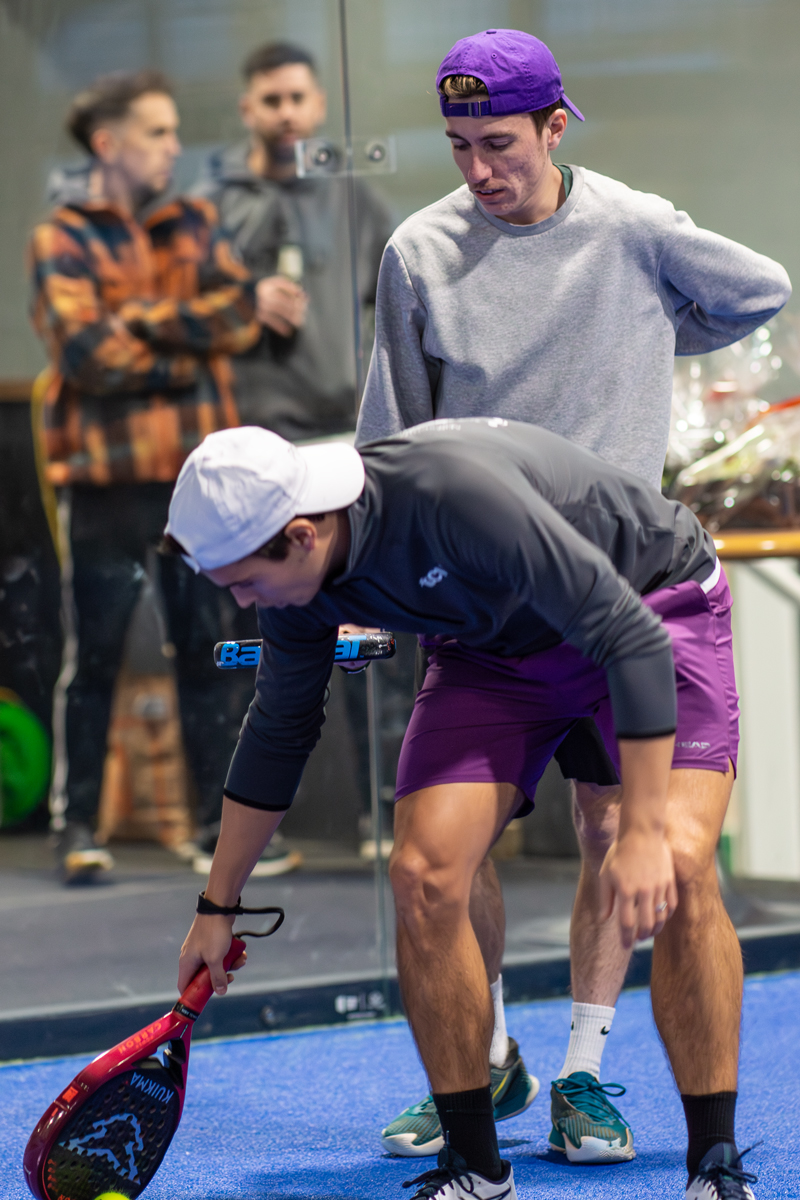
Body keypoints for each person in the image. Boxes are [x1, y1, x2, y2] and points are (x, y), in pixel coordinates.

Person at [354, 28, 791, 1165]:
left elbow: (762, 289)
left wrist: (657, 326)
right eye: (456, 145)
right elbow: (386, 436)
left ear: (556, 127)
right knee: (441, 854)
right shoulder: (416, 251)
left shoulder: (632, 226)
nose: (476, 168)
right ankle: (491, 1058)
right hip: (485, 609)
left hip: (620, 594)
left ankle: (585, 1076)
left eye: (497, 142)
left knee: (619, 831)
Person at [166, 418, 754, 1200]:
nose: (243, 603)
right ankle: (476, 1168)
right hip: (495, 651)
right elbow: (278, 731)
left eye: (243, 583)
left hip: (653, 605)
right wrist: (218, 906)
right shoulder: (298, 585)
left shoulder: (453, 498)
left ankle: (714, 1166)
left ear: (301, 535)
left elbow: (631, 640)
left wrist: (643, 830)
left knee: (678, 864)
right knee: (423, 875)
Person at [27, 69, 287, 882]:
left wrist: (138, 320)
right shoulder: (60, 237)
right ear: (109, 143)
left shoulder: (196, 221)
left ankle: (219, 828)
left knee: (213, 650)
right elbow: (86, 356)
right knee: (94, 655)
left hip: (197, 486)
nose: (176, 147)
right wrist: (190, 342)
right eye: (159, 132)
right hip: (103, 482)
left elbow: (242, 315)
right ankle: (78, 832)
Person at [192, 40, 394, 440]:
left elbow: (401, 300)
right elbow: (178, 313)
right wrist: (246, 301)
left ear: (318, 105)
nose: (286, 113)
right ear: (246, 110)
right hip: (245, 429)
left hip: (347, 423)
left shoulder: (354, 198)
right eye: (272, 100)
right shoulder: (207, 206)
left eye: (297, 98)